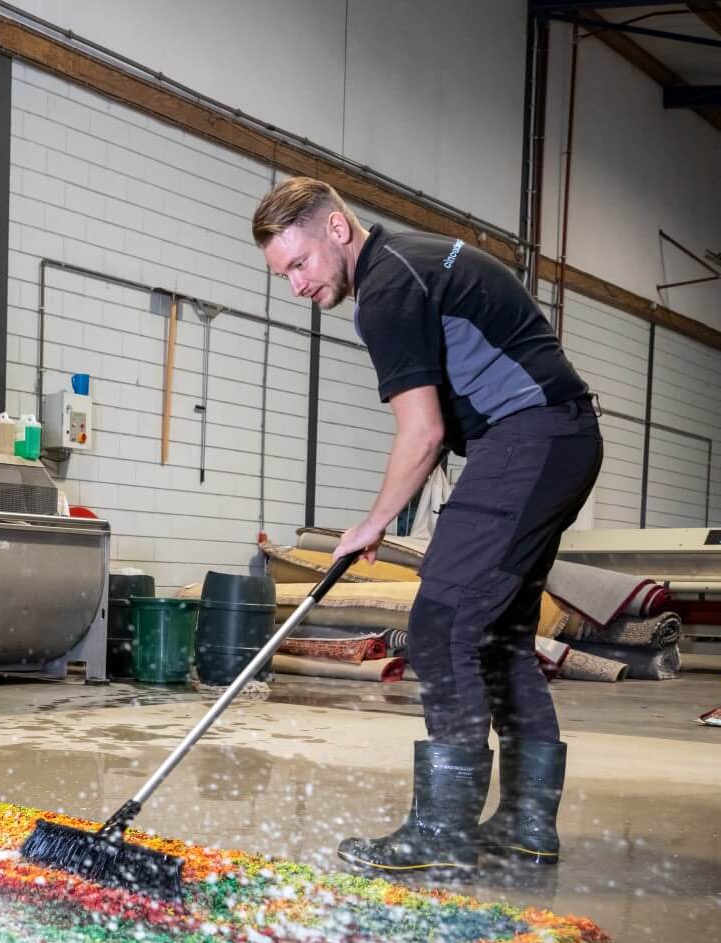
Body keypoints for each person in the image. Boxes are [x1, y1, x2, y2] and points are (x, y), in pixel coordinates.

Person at [253, 177, 602, 872]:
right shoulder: (410, 264)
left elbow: (421, 430)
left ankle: (442, 835)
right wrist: (389, 513)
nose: (296, 285)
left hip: (529, 438)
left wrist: (375, 521)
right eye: (283, 273)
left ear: (337, 230)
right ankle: (528, 823)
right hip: (559, 437)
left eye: (300, 264)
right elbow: (441, 424)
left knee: (441, 627)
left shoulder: (385, 291)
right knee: (497, 635)